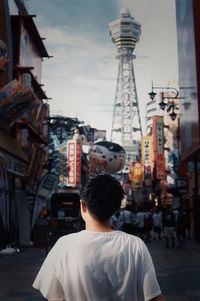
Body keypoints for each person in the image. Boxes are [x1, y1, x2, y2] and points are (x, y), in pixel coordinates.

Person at [33, 173, 165, 301]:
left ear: (83, 205)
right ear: (116, 208)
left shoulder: (63, 246)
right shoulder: (135, 245)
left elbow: (55, 298)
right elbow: (153, 296)